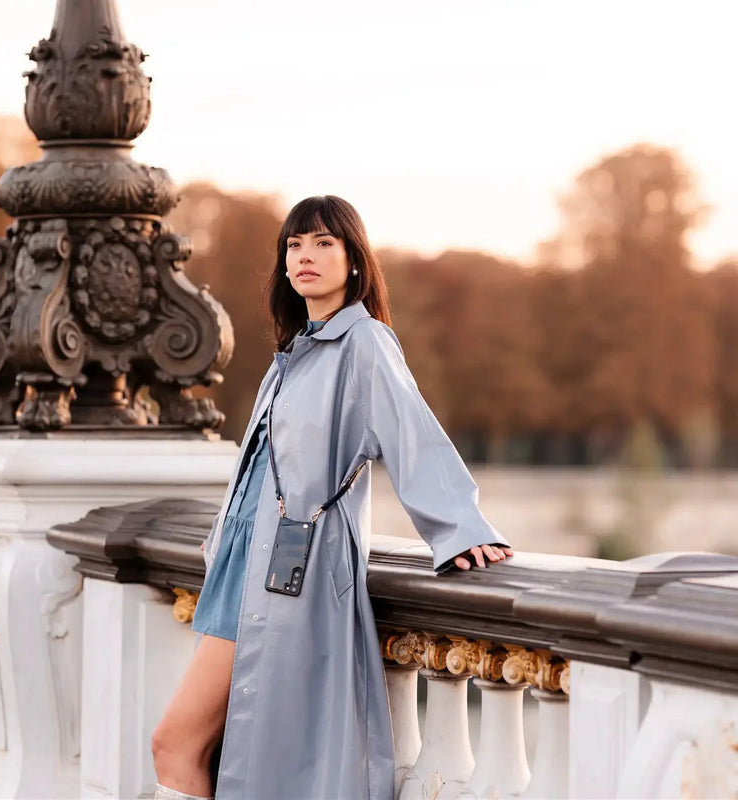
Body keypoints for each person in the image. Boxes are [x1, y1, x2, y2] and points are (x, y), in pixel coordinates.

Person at [152, 195, 513, 800]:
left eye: (324, 243)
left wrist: (461, 528)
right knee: (218, 752)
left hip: (294, 572)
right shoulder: (292, 352)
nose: (305, 257)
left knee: (182, 744)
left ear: (354, 260)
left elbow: (412, 433)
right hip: (239, 570)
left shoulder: (365, 342)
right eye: (294, 245)